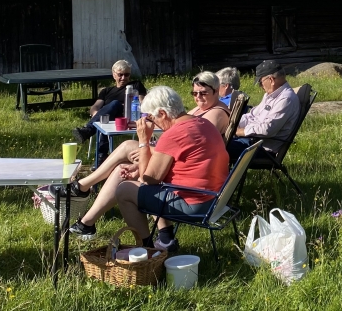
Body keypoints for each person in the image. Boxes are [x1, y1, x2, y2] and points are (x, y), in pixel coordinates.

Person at [69, 86, 229, 253]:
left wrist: (144, 141)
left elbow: (147, 180)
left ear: (162, 113)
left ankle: (146, 248)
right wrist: (139, 167)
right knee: (126, 173)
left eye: (152, 118)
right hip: (215, 198)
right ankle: (165, 238)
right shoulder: (202, 122)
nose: (152, 123)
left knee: (124, 190)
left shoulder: (174, 134)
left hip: (194, 204)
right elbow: (181, 164)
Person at [226, 60, 300, 161]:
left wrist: (240, 132)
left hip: (262, 149)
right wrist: (230, 122)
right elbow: (252, 116)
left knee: (217, 148)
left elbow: (267, 130)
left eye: (260, 82)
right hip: (252, 142)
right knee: (216, 142)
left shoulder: (286, 99)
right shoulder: (270, 95)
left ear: (271, 80)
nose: (261, 87)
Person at [72, 60, 146, 159]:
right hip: (108, 119)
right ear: (114, 75)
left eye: (127, 74)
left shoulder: (136, 85)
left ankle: (88, 130)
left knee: (114, 104)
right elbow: (95, 107)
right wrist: (96, 114)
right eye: (120, 75)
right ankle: (101, 156)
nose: (124, 78)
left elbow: (142, 103)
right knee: (104, 118)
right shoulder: (106, 91)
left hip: (127, 117)